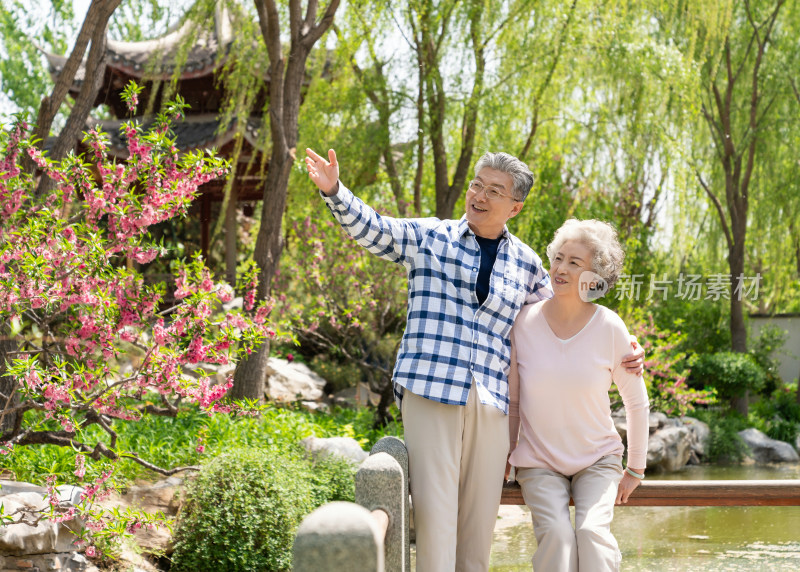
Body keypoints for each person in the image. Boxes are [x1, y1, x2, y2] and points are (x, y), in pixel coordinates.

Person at [305, 148, 644, 572]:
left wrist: (624, 344)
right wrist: (335, 190)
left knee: (479, 521)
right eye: (476, 185)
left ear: (515, 206)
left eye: (495, 191)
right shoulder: (430, 237)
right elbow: (374, 229)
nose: (480, 195)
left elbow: (568, 311)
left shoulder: (526, 262)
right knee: (436, 514)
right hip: (431, 386)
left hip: (491, 401)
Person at [507, 218, 650, 572]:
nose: (560, 268)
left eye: (575, 262)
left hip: (598, 460)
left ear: (595, 277)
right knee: (557, 535)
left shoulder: (610, 327)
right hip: (539, 461)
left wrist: (636, 467)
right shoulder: (523, 323)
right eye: (558, 258)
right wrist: (507, 457)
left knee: (590, 533)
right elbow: (512, 404)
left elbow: (636, 401)